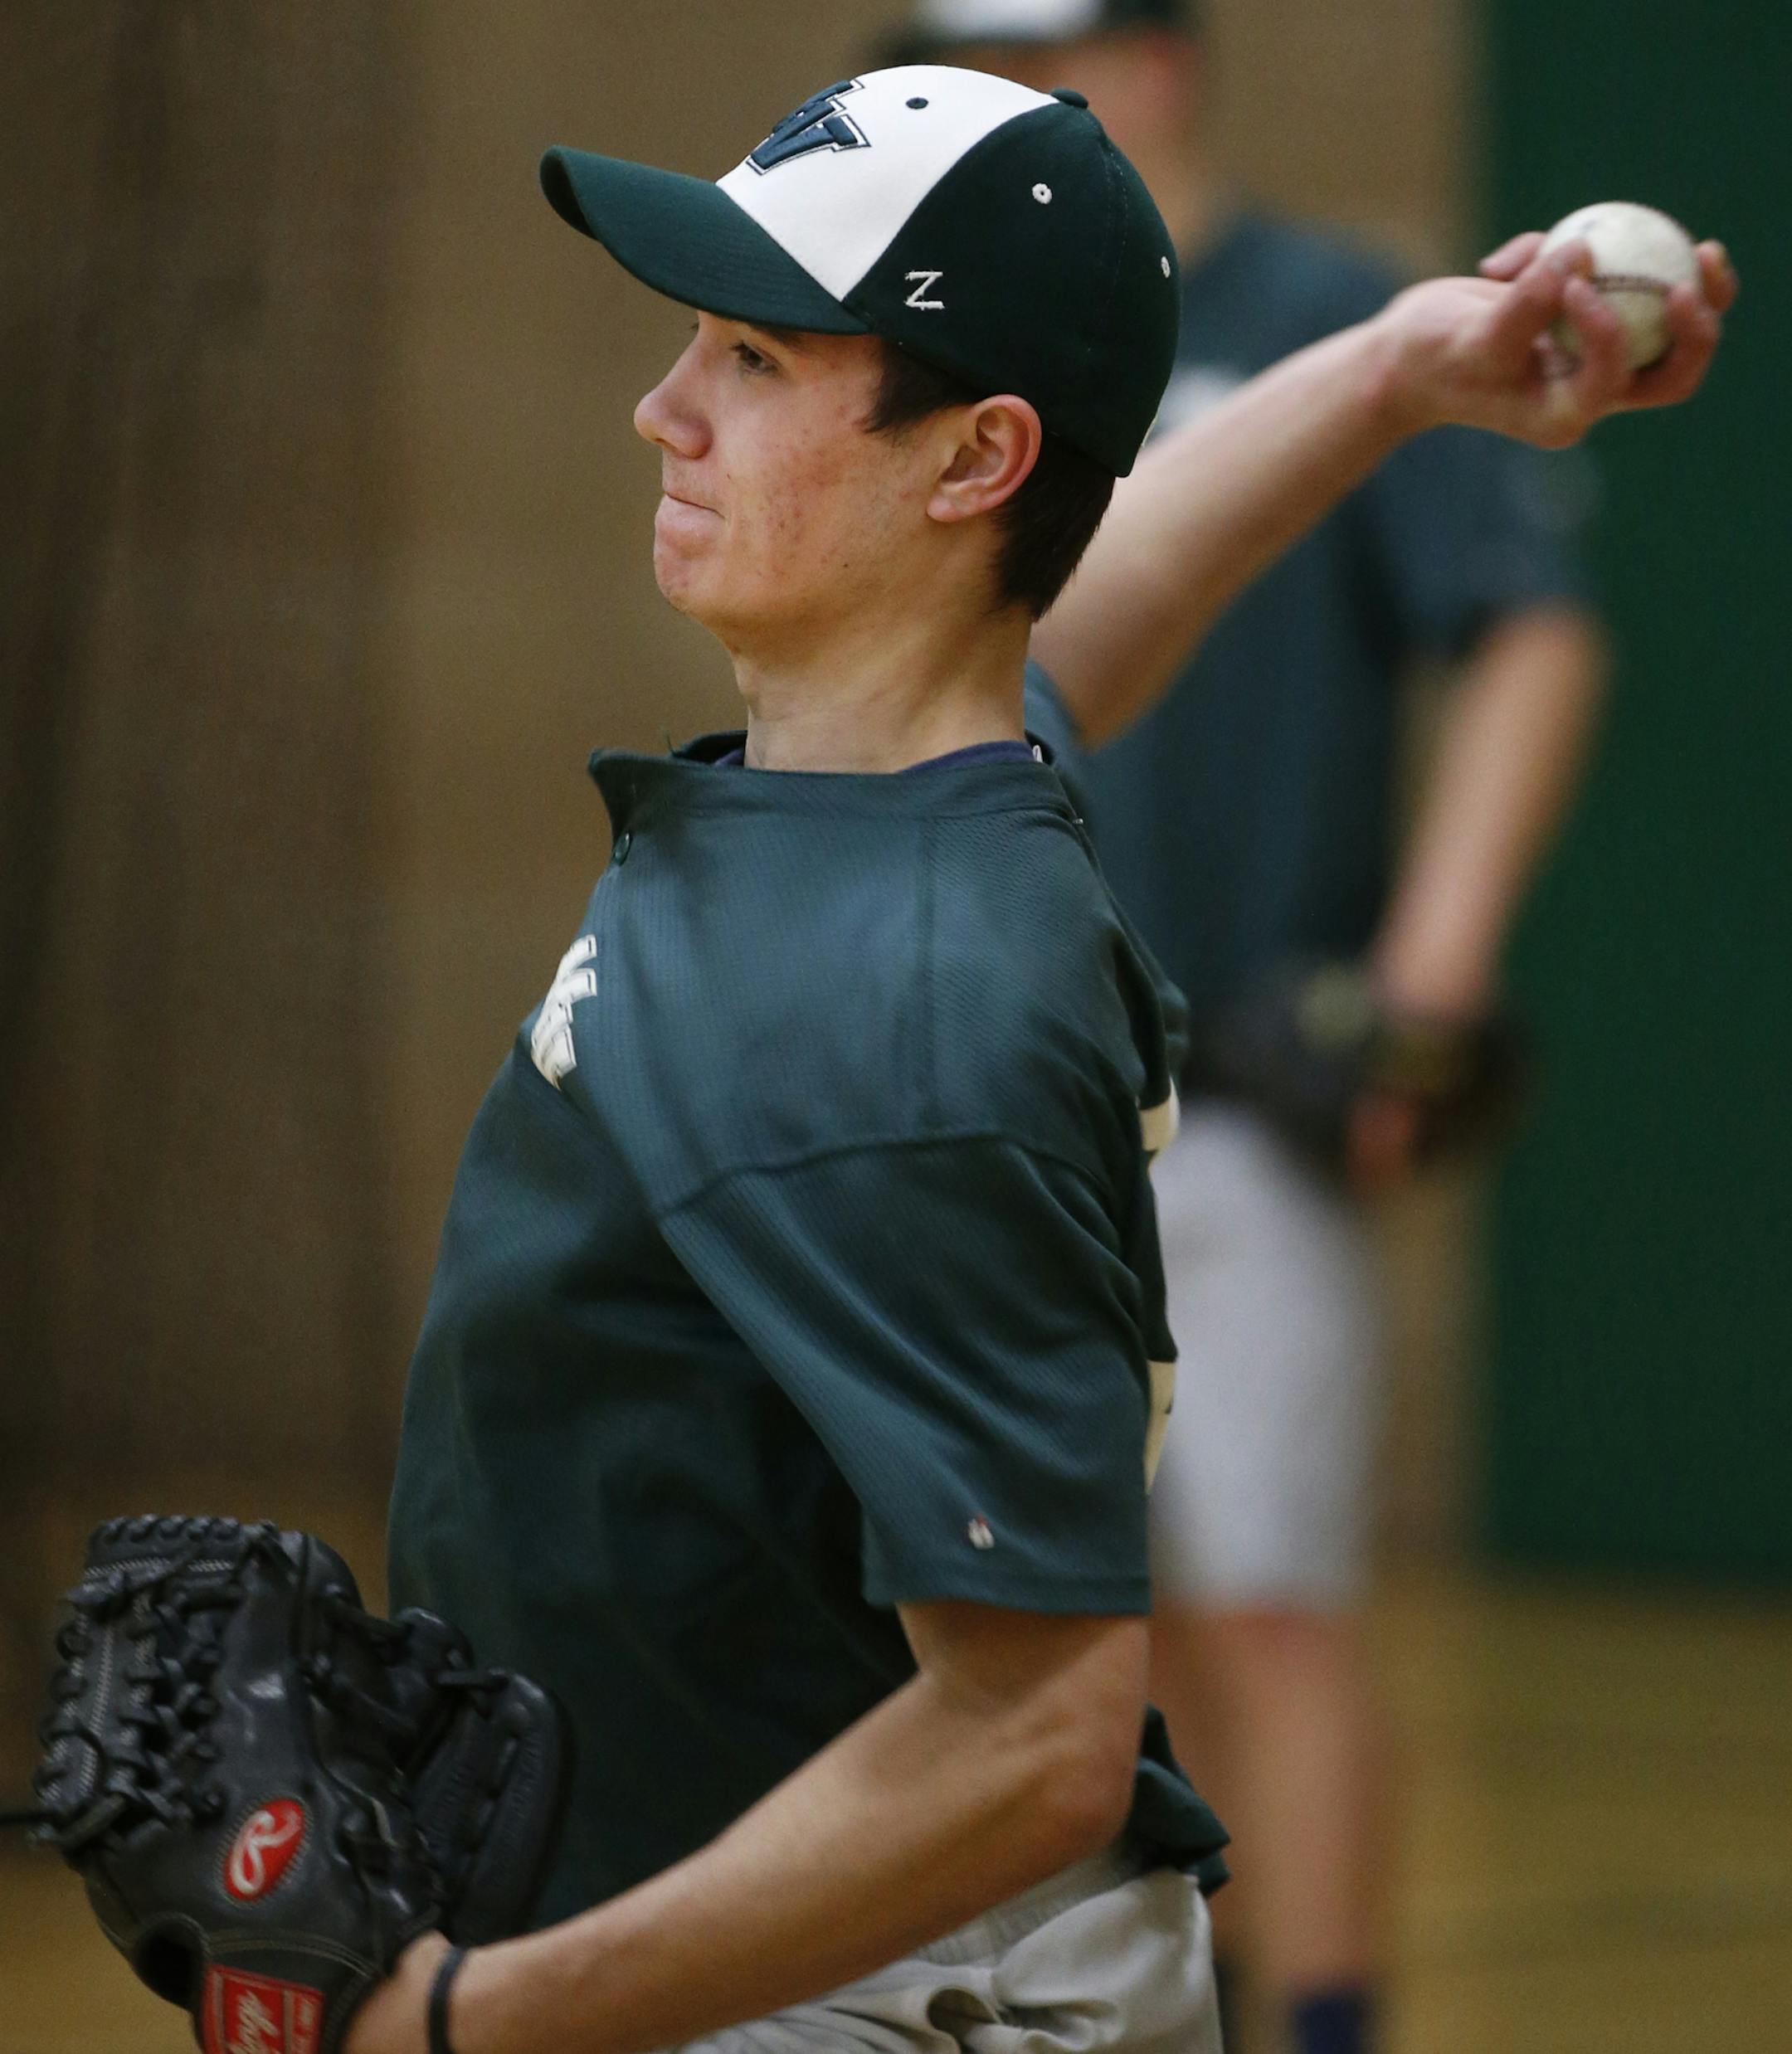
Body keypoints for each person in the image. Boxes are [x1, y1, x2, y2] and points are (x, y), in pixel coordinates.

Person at [343, 59, 1731, 2054]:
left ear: (979, 458)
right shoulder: (910, 771)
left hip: (868, 1999)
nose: (665, 404)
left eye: (751, 352)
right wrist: (1398, 375)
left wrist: (472, 2015)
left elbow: (1029, 1742)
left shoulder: (912, 993)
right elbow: (1095, 610)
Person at [883, 6, 1628, 2047]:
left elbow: (1528, 629)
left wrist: (1434, 969)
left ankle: (1322, 2016)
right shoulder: (958, 347)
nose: (1008, 111)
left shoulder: (1326, 317)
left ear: (1165, 59)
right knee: (1053, 1630)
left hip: (1236, 1094)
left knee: (1270, 1593)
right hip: (981, 1093)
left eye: (1046, 64)